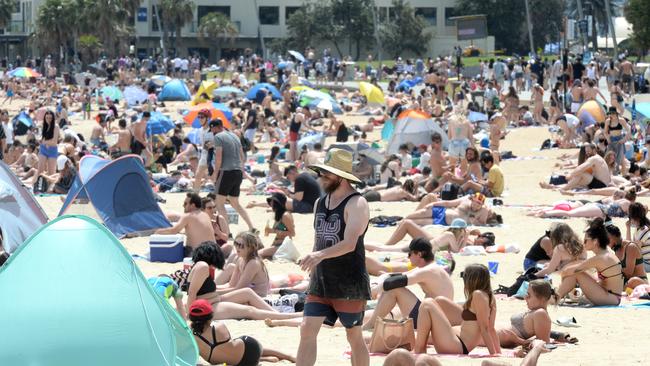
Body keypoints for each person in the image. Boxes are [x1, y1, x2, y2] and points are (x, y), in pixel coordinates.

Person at [297, 148, 371, 366]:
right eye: (320, 173)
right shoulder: (321, 203)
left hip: (349, 283)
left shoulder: (357, 203)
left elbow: (349, 244)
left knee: (354, 336)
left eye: (326, 174)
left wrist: (319, 255)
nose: (321, 178)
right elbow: (319, 238)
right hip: (321, 281)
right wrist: (313, 264)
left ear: (341, 176)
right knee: (307, 330)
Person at [185, 242, 301, 321]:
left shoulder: (200, 266)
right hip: (209, 306)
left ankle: (276, 314)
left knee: (247, 292)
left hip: (214, 300)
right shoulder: (203, 267)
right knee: (249, 310)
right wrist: (192, 316)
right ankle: (285, 317)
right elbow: (192, 293)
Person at [362, 237, 454, 331]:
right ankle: (370, 321)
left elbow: (395, 282)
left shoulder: (428, 271)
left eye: (410, 253)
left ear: (419, 254)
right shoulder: (430, 267)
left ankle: (370, 324)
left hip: (433, 321)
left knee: (395, 289)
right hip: (435, 317)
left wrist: (374, 290)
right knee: (393, 307)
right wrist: (381, 280)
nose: (408, 257)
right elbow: (396, 276)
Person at [414, 263, 500, 355]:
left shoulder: (477, 295)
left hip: (457, 346)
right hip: (458, 343)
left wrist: (493, 354)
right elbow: (491, 328)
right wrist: (498, 352)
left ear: (472, 279)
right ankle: (420, 344)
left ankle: (419, 349)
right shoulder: (490, 296)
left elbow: (485, 329)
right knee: (439, 301)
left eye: (464, 276)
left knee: (427, 303)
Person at [188, 299, 296, 365]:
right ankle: (288, 356)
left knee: (227, 350)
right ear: (210, 316)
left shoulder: (189, 335)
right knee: (244, 343)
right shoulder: (219, 326)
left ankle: (263, 359)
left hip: (232, 362)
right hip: (251, 353)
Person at [557, 218, 624, 306]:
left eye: (586, 241)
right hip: (612, 296)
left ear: (595, 241)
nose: (583, 243)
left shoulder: (600, 258)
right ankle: (558, 295)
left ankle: (555, 297)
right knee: (578, 272)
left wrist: (565, 278)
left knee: (576, 273)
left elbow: (566, 271)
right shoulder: (606, 254)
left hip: (611, 298)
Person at [212, 118, 255, 231]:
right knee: (235, 203)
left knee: (219, 203)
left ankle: (227, 232)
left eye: (212, 129)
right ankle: (251, 226)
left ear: (215, 127)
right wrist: (242, 170)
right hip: (238, 172)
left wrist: (215, 174)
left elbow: (218, 158)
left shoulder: (218, 137)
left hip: (226, 172)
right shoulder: (235, 136)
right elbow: (242, 156)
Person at [218, 232, 270, 297]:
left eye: (241, 245)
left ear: (251, 248)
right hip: (246, 295)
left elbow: (239, 289)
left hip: (258, 297)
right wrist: (214, 288)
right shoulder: (240, 260)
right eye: (236, 244)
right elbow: (231, 285)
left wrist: (215, 293)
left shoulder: (253, 263)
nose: (237, 247)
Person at [405, 193, 499, 226]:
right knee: (421, 213)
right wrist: (433, 203)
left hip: (444, 221)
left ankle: (404, 223)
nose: (477, 205)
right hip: (443, 212)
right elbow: (448, 203)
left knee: (420, 221)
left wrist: (475, 222)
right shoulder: (465, 200)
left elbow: (482, 224)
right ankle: (403, 219)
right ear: (473, 199)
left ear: (482, 204)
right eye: (476, 202)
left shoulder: (483, 211)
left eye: (479, 203)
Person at [607, 223, 647, 289]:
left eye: (608, 239)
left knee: (633, 281)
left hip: (639, 282)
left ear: (615, 237)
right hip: (626, 282)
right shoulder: (617, 249)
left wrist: (610, 270)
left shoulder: (631, 247)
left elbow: (628, 273)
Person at [260, 192, 295, 259]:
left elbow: (292, 233)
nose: (271, 204)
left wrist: (273, 230)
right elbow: (280, 230)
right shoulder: (279, 215)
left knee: (258, 254)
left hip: (283, 246)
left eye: (272, 202)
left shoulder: (285, 216)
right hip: (277, 244)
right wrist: (271, 231)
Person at [626, 202, 650, 273]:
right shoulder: (640, 227)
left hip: (647, 264)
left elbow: (633, 250)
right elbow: (630, 244)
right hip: (644, 261)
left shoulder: (643, 230)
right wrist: (628, 228)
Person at [36, 110, 59, 179]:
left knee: (51, 173)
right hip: (43, 149)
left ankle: (50, 188)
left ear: (53, 118)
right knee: (40, 170)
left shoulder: (56, 126)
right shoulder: (44, 125)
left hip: (52, 150)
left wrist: (43, 141)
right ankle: (38, 186)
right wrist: (41, 140)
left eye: (50, 118)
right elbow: (44, 138)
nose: (48, 120)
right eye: (47, 118)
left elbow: (54, 141)